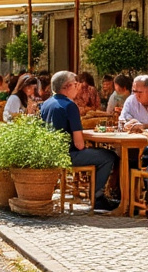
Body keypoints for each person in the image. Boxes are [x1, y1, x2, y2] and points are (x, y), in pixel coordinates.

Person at [41, 71, 118, 211]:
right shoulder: (70, 106)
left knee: (98, 154)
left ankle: (94, 191)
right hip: (68, 155)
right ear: (67, 86)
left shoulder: (46, 104)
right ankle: (98, 197)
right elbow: (79, 144)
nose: (78, 87)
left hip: (52, 154)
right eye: (76, 84)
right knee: (109, 156)